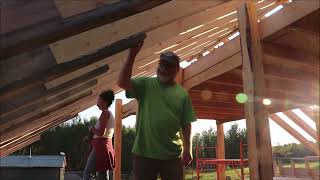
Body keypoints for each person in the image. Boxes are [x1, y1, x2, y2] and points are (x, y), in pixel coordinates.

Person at [118, 42, 197, 180]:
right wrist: (131, 56)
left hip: (172, 156)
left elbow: (186, 124)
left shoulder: (182, 94)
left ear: (176, 70)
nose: (164, 68)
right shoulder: (145, 85)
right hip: (144, 155)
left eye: (168, 66)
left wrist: (188, 148)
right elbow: (122, 83)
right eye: (162, 64)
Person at [83, 90, 116, 180]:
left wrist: (91, 129)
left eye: (99, 100)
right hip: (103, 146)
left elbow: (101, 133)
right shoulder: (107, 113)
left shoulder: (105, 113)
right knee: (102, 174)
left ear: (105, 102)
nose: (97, 103)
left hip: (101, 146)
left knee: (88, 173)